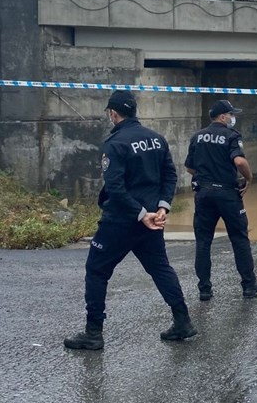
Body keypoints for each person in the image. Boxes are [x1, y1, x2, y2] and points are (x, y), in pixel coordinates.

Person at [64, 90, 197, 350]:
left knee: (96, 270)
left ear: (113, 114)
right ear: (134, 111)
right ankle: (183, 321)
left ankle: (93, 333)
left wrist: (140, 214)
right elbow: (170, 175)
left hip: (120, 222)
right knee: (160, 268)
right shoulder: (157, 139)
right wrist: (162, 208)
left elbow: (114, 186)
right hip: (150, 221)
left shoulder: (115, 144)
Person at [184, 99, 257, 300]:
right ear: (222, 117)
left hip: (203, 194)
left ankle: (205, 289)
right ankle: (249, 286)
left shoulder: (197, 137)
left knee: (203, 242)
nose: (232, 118)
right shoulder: (231, 135)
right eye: (230, 114)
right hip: (228, 195)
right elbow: (239, 160)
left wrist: (206, 174)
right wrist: (249, 177)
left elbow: (189, 167)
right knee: (239, 239)